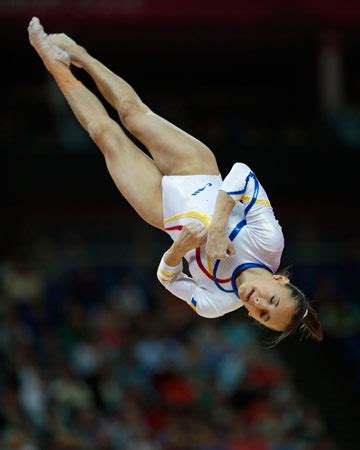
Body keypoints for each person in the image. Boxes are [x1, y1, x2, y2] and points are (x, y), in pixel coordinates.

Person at [28, 17, 323, 345]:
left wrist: (180, 247)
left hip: (163, 210)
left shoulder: (216, 304)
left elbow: (167, 278)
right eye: (271, 300)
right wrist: (215, 229)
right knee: (131, 114)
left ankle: (54, 64)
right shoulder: (269, 244)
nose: (258, 304)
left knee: (104, 134)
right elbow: (242, 173)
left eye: (263, 315)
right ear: (280, 280)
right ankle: (78, 53)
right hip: (196, 169)